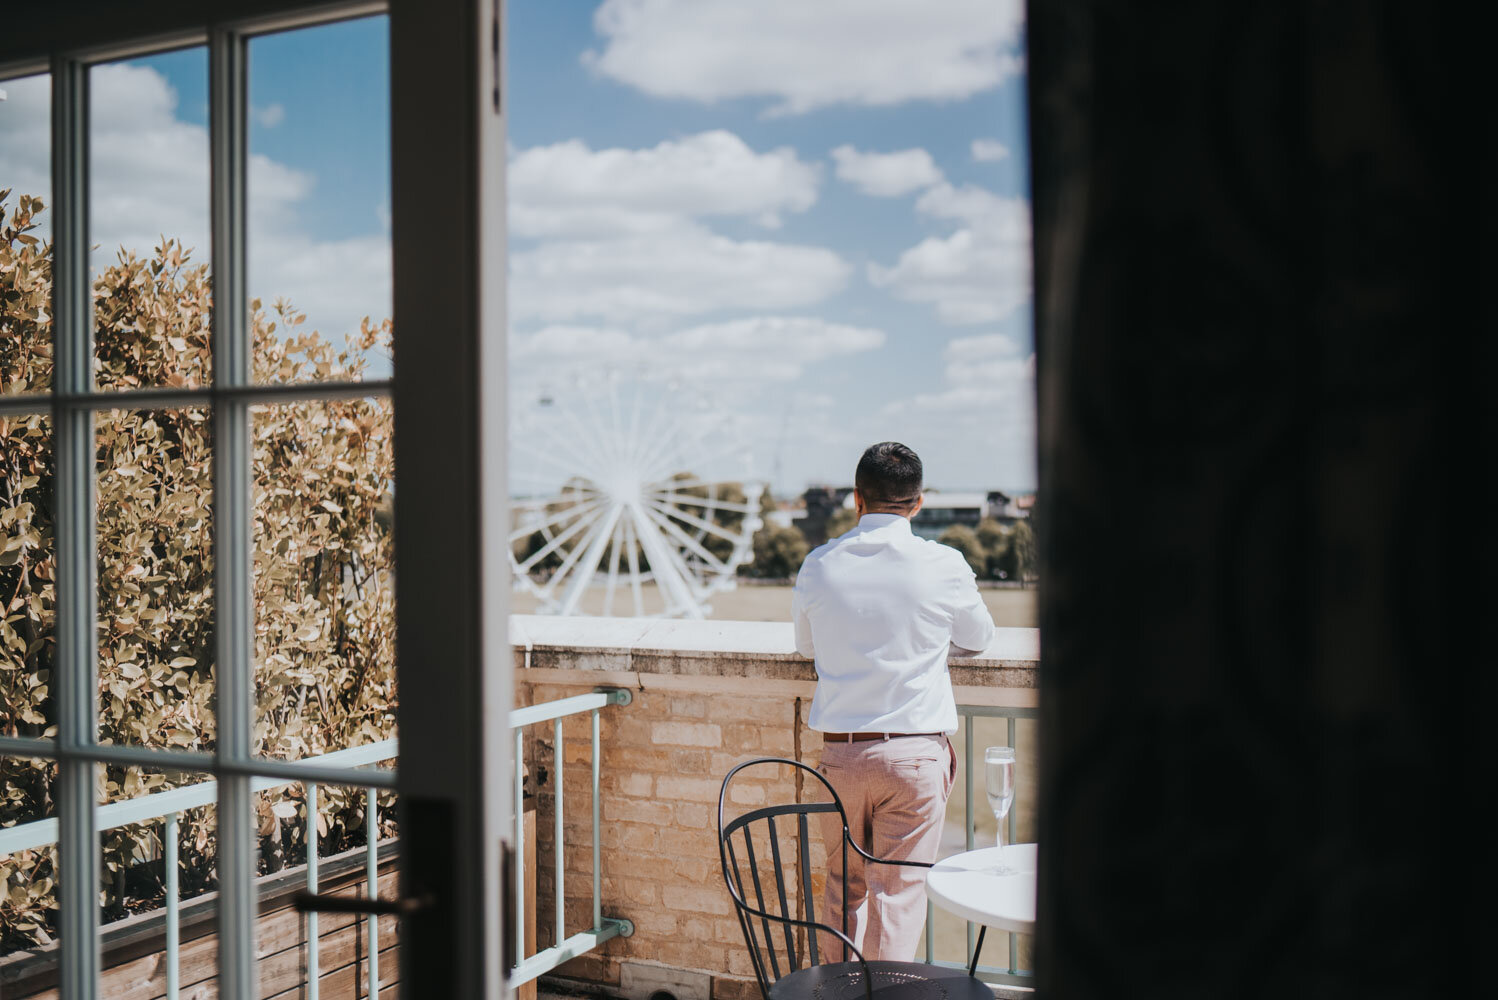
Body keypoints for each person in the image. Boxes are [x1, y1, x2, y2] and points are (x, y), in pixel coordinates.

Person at [792, 441, 996, 963]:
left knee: (841, 889)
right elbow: (979, 637)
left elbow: (807, 647)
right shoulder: (944, 564)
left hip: (841, 755)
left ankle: (836, 993)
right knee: (897, 897)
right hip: (913, 756)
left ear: (856, 498)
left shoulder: (818, 565)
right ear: (918, 502)